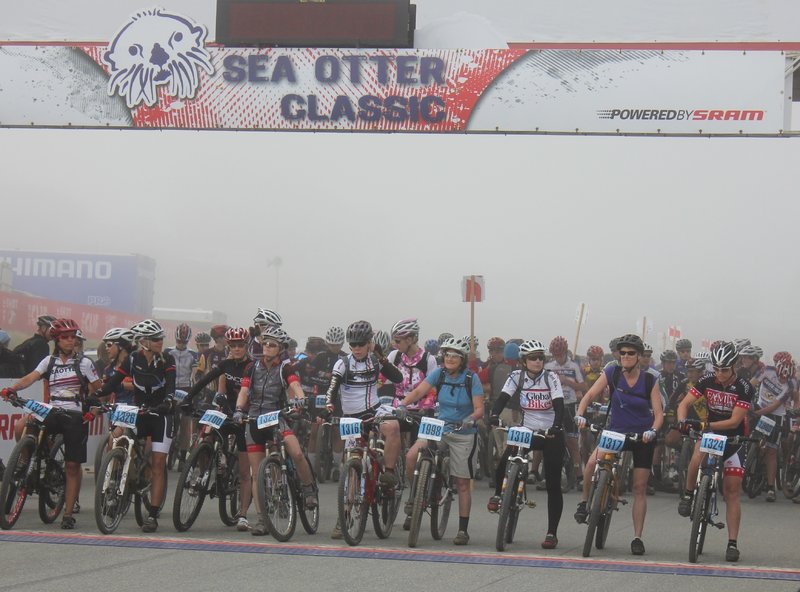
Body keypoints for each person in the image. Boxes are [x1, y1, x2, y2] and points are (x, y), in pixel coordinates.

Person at [1, 318, 101, 529]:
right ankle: (27, 459)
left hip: (75, 413)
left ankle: (67, 514)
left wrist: (93, 408)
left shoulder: (85, 363)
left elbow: (98, 390)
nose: (70, 341)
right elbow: (30, 377)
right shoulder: (49, 361)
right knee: (24, 424)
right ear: (56, 340)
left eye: (73, 337)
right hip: (52, 409)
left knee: (72, 466)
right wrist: (13, 389)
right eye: (65, 337)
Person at [574, 334, 663, 556]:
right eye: (622, 352)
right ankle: (584, 503)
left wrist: (652, 431)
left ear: (639, 357)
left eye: (630, 353)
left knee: (639, 488)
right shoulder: (612, 372)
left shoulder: (650, 380)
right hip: (616, 431)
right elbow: (590, 394)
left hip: (641, 436)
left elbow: (659, 414)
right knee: (592, 463)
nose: (625, 356)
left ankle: (637, 537)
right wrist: (580, 414)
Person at [396, 336, 484, 545]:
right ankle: (415, 498)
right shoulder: (439, 373)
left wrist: (471, 419)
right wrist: (402, 405)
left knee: (462, 482)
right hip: (439, 426)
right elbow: (419, 391)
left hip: (463, 432)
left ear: (462, 359)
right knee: (411, 456)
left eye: (455, 356)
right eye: (447, 355)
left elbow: (480, 409)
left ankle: (463, 529)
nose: (450, 359)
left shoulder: (472, 379)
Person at [234, 325, 317, 536]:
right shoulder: (251, 368)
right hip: (254, 420)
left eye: (273, 345)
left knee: (296, 452)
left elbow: (295, 385)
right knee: (256, 475)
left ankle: (308, 488)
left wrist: (300, 400)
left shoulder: (285, 368)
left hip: (276, 418)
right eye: (265, 344)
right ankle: (262, 519)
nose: (268, 348)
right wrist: (237, 409)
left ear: (280, 349)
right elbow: (244, 391)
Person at [324, 320, 403, 539]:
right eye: (353, 344)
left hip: (373, 411)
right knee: (351, 467)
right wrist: (329, 405)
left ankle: (387, 473)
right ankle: (345, 517)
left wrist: (380, 356)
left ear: (369, 343)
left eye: (361, 344)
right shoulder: (343, 364)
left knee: (393, 426)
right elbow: (332, 388)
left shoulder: (375, 361)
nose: (356, 348)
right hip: (351, 417)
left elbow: (398, 378)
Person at [96, 319, 177, 533]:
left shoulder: (167, 358)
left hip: (161, 415)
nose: (161, 341)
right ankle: (115, 481)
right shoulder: (132, 359)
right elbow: (113, 383)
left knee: (158, 464)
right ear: (144, 342)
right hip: (139, 412)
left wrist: (168, 401)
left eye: (161, 338)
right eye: (156, 339)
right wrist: (95, 396)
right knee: (117, 437)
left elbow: (171, 385)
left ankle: (152, 515)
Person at [676, 341, 753, 562]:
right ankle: (689, 495)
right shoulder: (706, 380)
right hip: (710, 432)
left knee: (732, 492)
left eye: (725, 369)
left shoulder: (744, 387)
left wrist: (704, 426)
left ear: (734, 366)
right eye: (716, 368)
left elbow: (734, 420)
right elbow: (684, 404)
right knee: (696, 458)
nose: (719, 374)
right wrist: (682, 422)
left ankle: (732, 543)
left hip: (733, 439)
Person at [488, 339, 565, 549]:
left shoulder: (551, 377)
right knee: (504, 460)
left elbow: (559, 405)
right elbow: (503, 398)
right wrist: (494, 415)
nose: (538, 361)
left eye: (541, 357)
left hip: (550, 431)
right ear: (524, 360)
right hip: (527, 429)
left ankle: (551, 533)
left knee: (553, 484)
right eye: (533, 358)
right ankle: (498, 494)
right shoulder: (516, 376)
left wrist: (556, 427)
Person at [184, 326, 253, 531]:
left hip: (245, 417)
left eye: (241, 345)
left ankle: (242, 515)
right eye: (233, 346)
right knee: (206, 432)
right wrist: (188, 398)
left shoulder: (252, 366)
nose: (237, 349)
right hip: (226, 411)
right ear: (229, 346)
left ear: (246, 346)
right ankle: (201, 467)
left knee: (243, 471)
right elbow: (205, 380)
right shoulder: (226, 364)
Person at [752, 352, 798, 502]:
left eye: (785, 378)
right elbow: (750, 384)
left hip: (775, 415)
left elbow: (774, 406)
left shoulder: (791, 385)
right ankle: (753, 459)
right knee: (754, 442)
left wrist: (756, 413)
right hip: (759, 405)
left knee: (771, 451)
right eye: (780, 376)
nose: (782, 380)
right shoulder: (766, 370)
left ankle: (771, 488)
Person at [545, 336, 585, 488]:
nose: (558, 357)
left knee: (572, 442)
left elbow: (583, 387)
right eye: (555, 354)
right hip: (551, 407)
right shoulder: (548, 366)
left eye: (560, 354)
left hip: (569, 406)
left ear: (565, 352)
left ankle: (579, 476)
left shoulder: (574, 366)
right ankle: (539, 473)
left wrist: (566, 381)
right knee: (547, 440)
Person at [167, 323, 198, 469]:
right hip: (171, 388)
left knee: (186, 424)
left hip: (186, 388)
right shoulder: (168, 352)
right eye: (179, 341)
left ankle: (184, 454)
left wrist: (194, 384)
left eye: (184, 342)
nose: (181, 344)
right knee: (169, 419)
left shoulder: (193, 354)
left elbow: (195, 373)